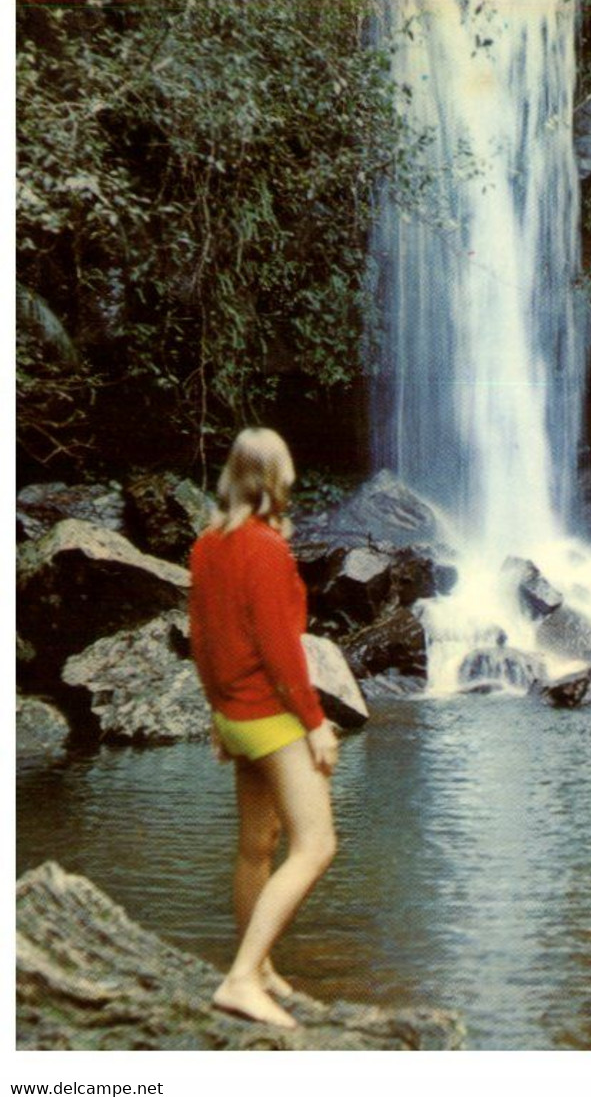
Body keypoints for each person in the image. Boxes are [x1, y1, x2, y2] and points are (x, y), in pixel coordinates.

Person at [188, 427, 339, 1029]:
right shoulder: (266, 550)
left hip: (234, 713)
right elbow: (281, 649)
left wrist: (216, 713)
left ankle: (263, 967)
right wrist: (315, 722)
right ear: (277, 479)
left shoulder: (207, 545)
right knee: (317, 843)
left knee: (258, 846)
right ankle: (243, 978)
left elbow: (201, 638)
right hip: (271, 716)